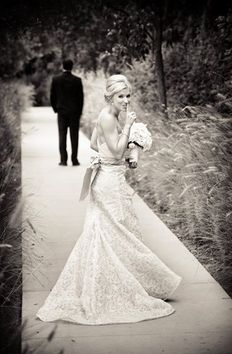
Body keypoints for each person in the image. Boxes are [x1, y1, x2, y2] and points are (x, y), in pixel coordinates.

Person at [36, 74, 182, 325]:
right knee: (118, 231)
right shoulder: (108, 117)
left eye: (128, 96)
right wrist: (128, 130)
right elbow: (114, 148)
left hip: (109, 176)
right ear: (109, 97)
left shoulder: (109, 116)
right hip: (109, 184)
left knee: (113, 231)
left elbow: (95, 144)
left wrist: (123, 155)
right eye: (120, 96)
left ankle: (123, 281)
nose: (125, 101)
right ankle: (124, 286)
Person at [50, 59, 84, 166]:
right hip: (74, 113)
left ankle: (63, 160)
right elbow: (81, 98)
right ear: (72, 67)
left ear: (62, 66)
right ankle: (74, 160)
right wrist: (79, 112)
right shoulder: (77, 80)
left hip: (62, 112)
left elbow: (52, 96)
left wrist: (56, 109)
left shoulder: (56, 80)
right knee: (74, 136)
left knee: (62, 135)